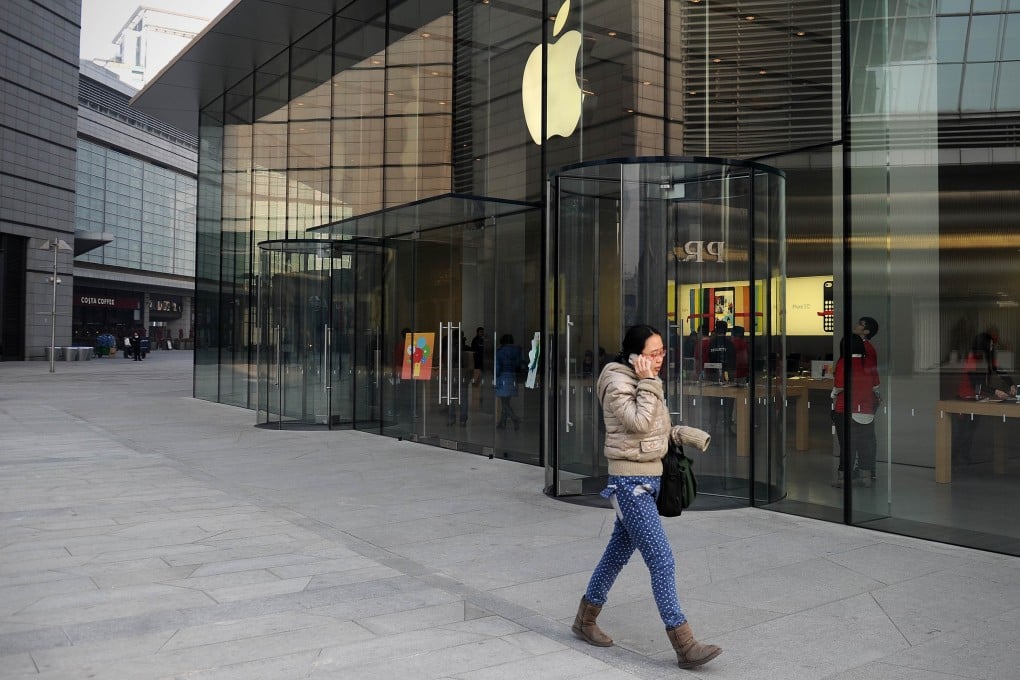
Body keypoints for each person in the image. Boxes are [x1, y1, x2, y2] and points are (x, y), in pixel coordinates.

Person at [573, 324, 721, 669]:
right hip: (631, 484)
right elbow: (638, 423)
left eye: (662, 352)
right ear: (635, 355)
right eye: (654, 353)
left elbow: (655, 430)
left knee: (616, 555)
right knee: (663, 561)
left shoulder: (643, 381)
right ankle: (684, 645)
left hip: (649, 478)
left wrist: (686, 434)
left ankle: (585, 620)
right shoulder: (617, 382)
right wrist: (650, 382)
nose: (660, 359)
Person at [953, 332, 1016, 463]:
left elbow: (999, 371)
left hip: (979, 397)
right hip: (966, 397)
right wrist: (996, 391)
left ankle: (965, 457)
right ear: (984, 345)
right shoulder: (972, 358)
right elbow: (975, 384)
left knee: (971, 430)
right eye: (990, 345)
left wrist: (1011, 384)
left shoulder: (988, 357)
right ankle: (954, 458)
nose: (992, 347)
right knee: (964, 431)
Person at [831, 334, 880, 487]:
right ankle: (866, 478)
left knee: (847, 446)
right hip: (867, 411)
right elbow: (876, 387)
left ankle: (843, 479)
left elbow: (840, 386)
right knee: (865, 445)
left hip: (845, 410)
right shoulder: (869, 362)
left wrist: (833, 394)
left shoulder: (843, 363)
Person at [494, 334, 523, 430]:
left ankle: (515, 418)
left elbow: (497, 367)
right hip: (513, 376)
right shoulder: (517, 351)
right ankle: (502, 423)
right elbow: (519, 363)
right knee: (506, 402)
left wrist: (496, 376)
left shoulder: (500, 352)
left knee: (504, 403)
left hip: (503, 377)